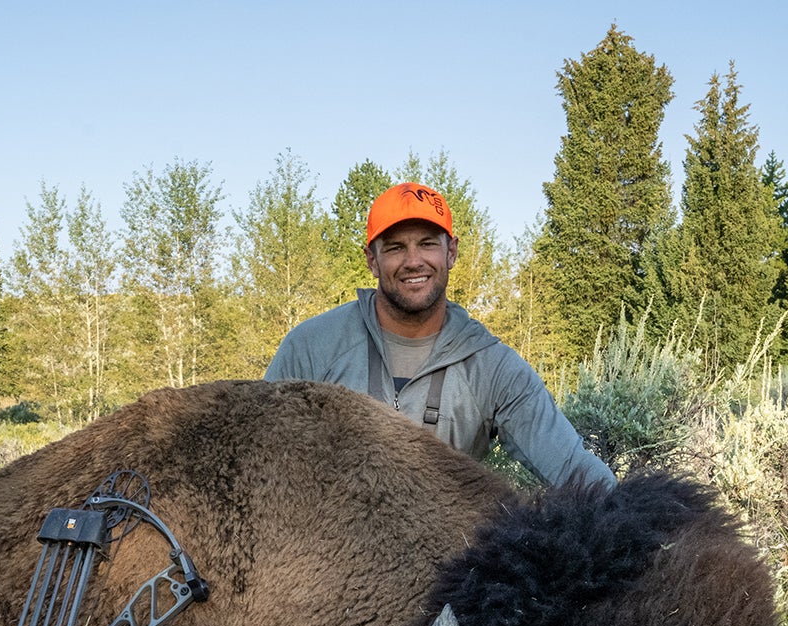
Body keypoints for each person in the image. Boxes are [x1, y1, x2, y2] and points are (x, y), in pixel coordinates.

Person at [264, 181, 616, 492]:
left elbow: (571, 466)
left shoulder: (492, 367)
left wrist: (643, 523)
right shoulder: (311, 348)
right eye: (395, 247)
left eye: (428, 244)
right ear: (372, 260)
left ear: (451, 252)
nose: (413, 261)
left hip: (447, 562)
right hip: (324, 559)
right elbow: (257, 454)